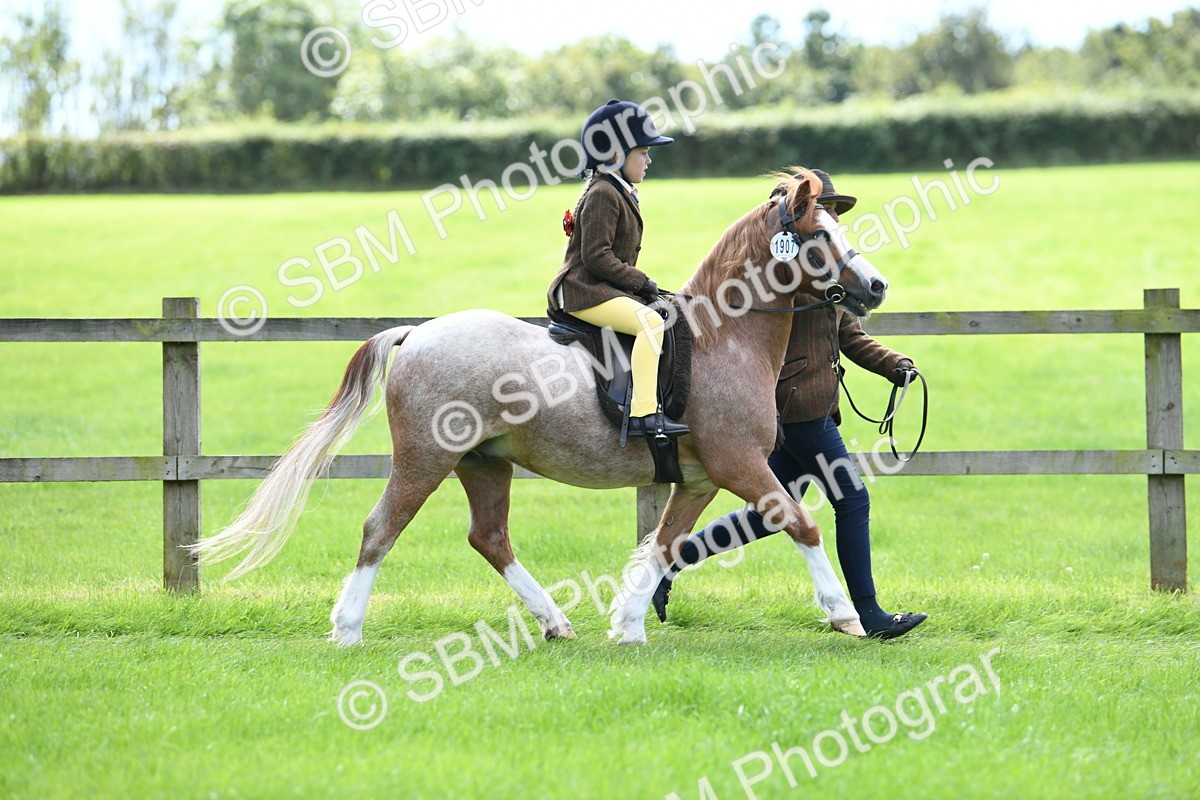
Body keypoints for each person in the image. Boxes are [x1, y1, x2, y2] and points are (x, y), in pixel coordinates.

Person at [650, 168, 928, 639]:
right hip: (798, 410)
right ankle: (869, 615)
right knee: (852, 498)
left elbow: (849, 335)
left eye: (834, 212)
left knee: (770, 513)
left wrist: (894, 365)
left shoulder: (830, 272)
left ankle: (671, 561)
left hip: (814, 407)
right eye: (825, 211)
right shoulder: (791, 272)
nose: (831, 218)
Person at [546, 99, 688, 438]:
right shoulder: (603, 194)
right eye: (643, 152)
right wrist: (641, 281)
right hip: (582, 290)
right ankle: (643, 413)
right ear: (614, 156)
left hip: (599, 288)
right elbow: (597, 257)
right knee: (650, 323)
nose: (649, 160)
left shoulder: (617, 190)